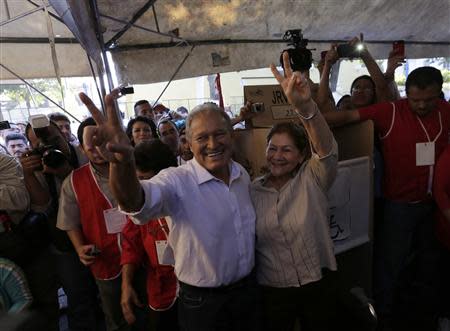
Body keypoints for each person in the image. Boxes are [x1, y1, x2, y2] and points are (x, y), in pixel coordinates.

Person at [78, 87, 260, 331]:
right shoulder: (176, 181)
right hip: (203, 305)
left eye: (220, 134)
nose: (212, 144)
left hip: (247, 294)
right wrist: (122, 165)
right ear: (188, 143)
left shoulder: (242, 175)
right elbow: (135, 202)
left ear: (231, 134)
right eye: (202, 138)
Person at [324, 66, 450, 330]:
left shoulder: (446, 112)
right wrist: (307, 117)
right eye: (415, 100)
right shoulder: (391, 111)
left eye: (430, 99)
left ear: (439, 93)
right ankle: (383, 316)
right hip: (399, 206)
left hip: (434, 206)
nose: (423, 105)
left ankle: (428, 314)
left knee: (430, 263)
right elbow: (345, 117)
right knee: (389, 264)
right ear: (407, 94)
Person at [251, 51, 338, 331]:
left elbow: (326, 150)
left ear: (301, 156)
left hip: (316, 282)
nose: (278, 156)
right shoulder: (252, 191)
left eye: (287, 150)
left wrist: (306, 109)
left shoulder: (312, 177)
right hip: (272, 289)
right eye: (272, 149)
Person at [57, 117, 130, 331]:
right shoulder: (73, 181)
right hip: (105, 258)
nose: (98, 151)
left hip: (142, 255)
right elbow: (69, 221)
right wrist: (80, 247)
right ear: (81, 148)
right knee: (114, 314)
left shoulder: (132, 169)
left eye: (103, 143)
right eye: (91, 146)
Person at [121, 140, 179, 330]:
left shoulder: (188, 198)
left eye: (145, 178)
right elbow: (131, 246)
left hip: (194, 290)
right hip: (160, 290)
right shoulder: (140, 210)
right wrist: (126, 284)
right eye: (137, 178)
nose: (141, 186)